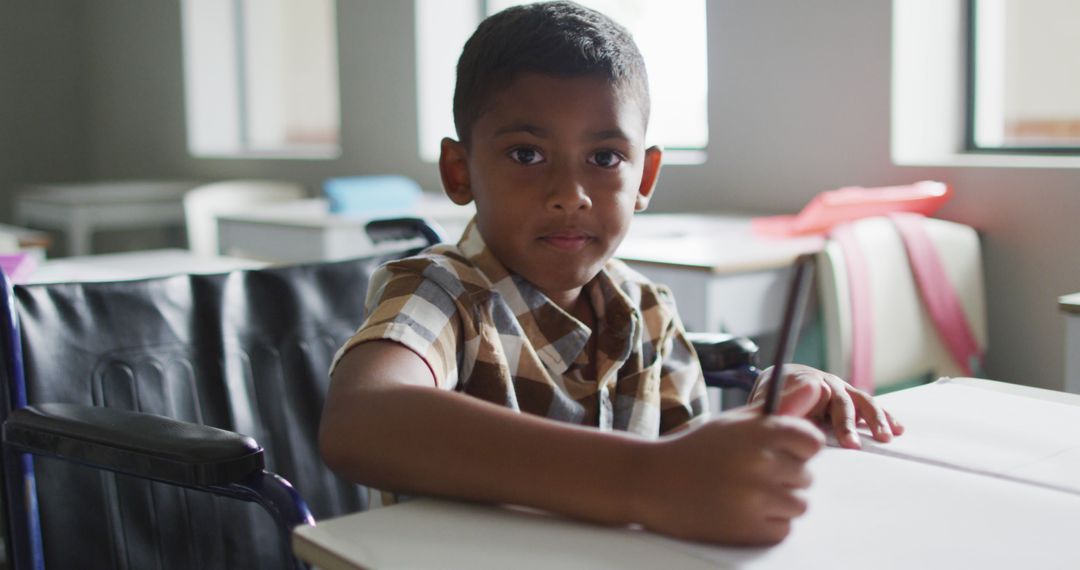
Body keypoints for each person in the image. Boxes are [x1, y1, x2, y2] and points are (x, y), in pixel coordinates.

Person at [320, 0, 902, 545]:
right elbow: (361, 418)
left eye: (604, 159)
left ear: (644, 179)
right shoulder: (441, 290)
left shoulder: (647, 310)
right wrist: (643, 481)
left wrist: (773, 405)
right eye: (527, 154)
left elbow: (691, 469)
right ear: (459, 171)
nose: (570, 195)